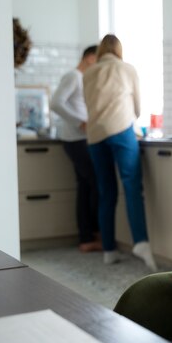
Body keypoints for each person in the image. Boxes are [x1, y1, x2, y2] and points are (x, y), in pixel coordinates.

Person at [82, 34, 157, 271]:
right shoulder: (127, 69)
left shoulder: (89, 73)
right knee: (132, 187)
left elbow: (88, 104)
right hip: (121, 130)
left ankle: (108, 250)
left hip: (95, 135)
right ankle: (141, 243)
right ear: (118, 50)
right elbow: (137, 107)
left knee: (106, 192)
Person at [50, 45, 101, 253]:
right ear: (89, 58)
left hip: (78, 138)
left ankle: (86, 237)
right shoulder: (74, 76)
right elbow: (55, 103)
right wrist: (81, 122)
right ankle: (90, 235)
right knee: (93, 184)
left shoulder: (81, 78)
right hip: (76, 139)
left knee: (85, 186)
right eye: (98, 60)